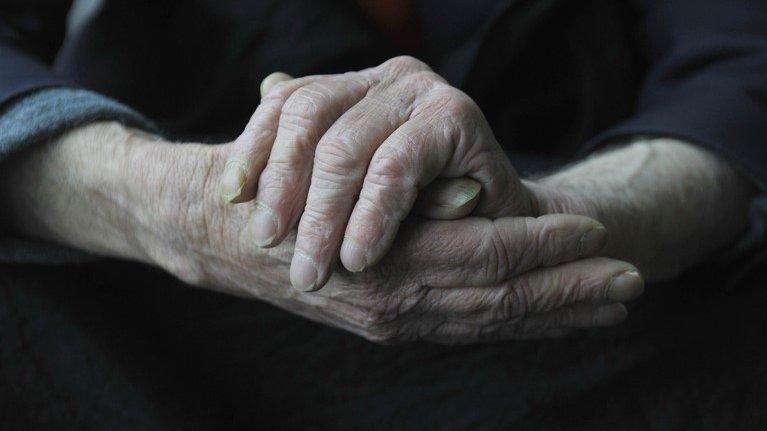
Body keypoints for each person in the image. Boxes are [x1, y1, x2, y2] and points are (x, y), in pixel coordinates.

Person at [0, 0, 765, 428]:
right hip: (138, 283)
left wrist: (546, 225)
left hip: (574, 296)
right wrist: (170, 207)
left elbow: (736, 73)